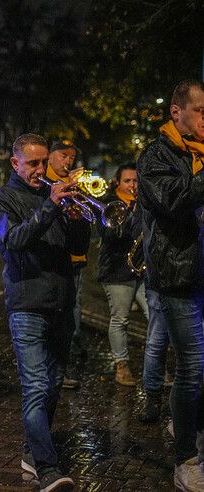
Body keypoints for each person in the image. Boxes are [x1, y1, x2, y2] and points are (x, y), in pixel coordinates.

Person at [0, 133, 89, 491]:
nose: (41, 169)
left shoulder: (53, 195)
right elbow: (15, 240)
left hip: (61, 301)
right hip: (27, 303)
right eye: (32, 163)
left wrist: (78, 218)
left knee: (54, 385)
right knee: (35, 387)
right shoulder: (0, 199)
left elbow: (77, 248)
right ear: (15, 163)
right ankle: (47, 469)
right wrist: (50, 206)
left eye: (44, 162)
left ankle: (32, 452)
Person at [137, 79, 204, 491]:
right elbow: (176, 201)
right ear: (176, 113)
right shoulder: (154, 157)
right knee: (192, 368)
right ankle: (186, 458)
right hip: (177, 277)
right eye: (201, 111)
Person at [96, 163, 151, 387]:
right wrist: (135, 212)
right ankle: (122, 366)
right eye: (127, 181)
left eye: (136, 181)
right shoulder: (111, 204)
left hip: (141, 270)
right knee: (120, 319)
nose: (133, 185)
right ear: (118, 182)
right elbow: (114, 235)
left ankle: (153, 366)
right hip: (117, 271)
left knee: (155, 316)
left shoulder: (144, 202)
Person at [46, 140, 85, 390]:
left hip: (75, 258)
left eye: (71, 157)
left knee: (72, 310)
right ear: (50, 156)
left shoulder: (75, 182)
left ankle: (63, 366)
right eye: (63, 155)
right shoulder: (44, 181)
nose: (67, 161)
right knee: (52, 313)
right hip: (53, 256)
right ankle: (50, 368)